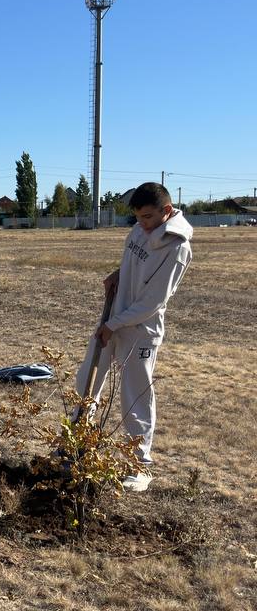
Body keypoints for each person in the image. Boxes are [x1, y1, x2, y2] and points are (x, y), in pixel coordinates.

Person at [75, 182, 193, 492]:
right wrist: (118, 272)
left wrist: (115, 324)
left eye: (147, 217)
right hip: (114, 317)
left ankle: (138, 466)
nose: (141, 223)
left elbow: (153, 301)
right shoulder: (141, 228)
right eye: (137, 217)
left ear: (166, 211)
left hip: (139, 331)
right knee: (87, 378)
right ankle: (76, 444)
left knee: (134, 397)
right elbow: (132, 259)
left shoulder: (176, 246)